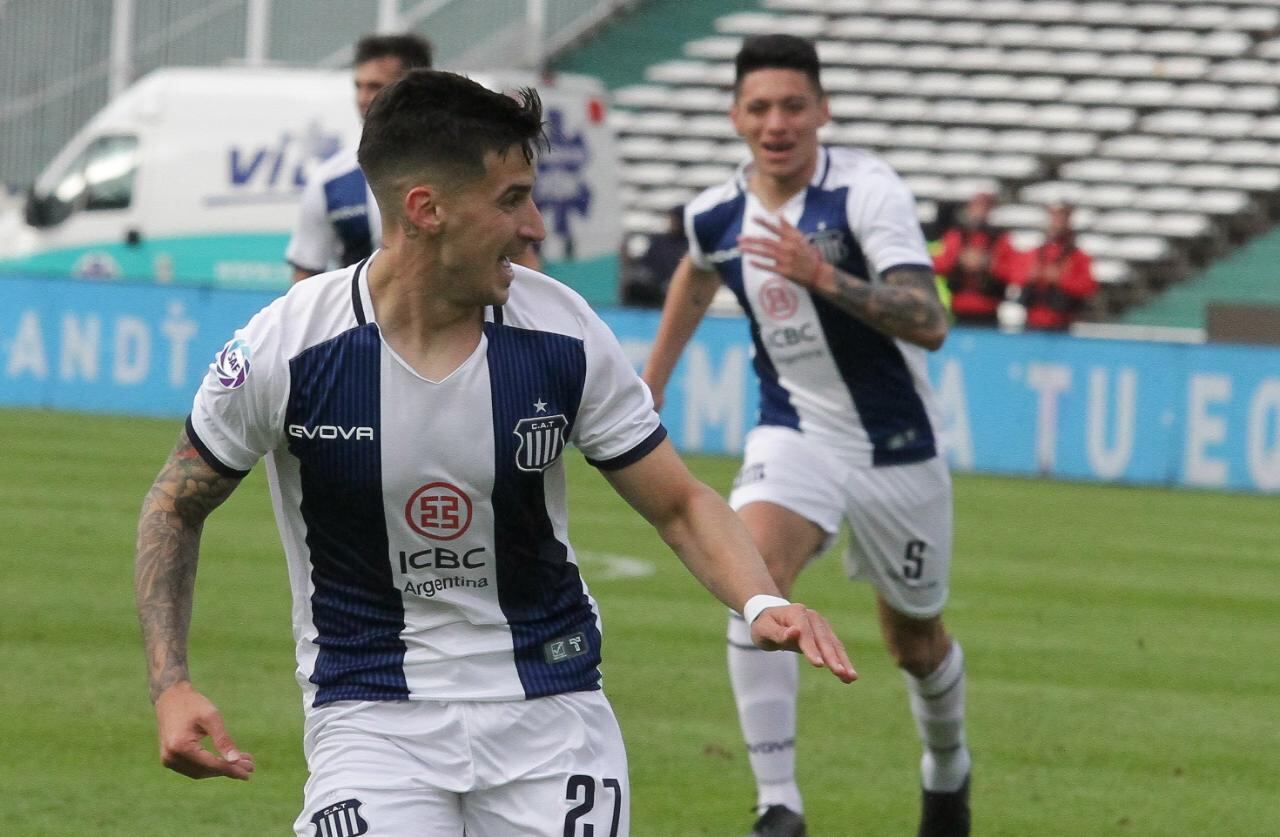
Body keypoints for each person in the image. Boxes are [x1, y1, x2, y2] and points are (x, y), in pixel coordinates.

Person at [135, 69, 857, 837]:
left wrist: (762, 600)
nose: (536, 225)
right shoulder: (286, 348)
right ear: (427, 210)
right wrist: (170, 683)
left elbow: (679, 502)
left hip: (552, 712)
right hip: (371, 717)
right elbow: (174, 503)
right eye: (512, 198)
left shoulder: (561, 332)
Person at [641, 35, 972, 837]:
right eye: (759, 107)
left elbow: (930, 322)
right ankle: (778, 804)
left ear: (822, 110)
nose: (777, 122)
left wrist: (822, 275)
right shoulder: (716, 213)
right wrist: (648, 383)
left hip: (896, 446)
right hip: (794, 432)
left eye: (794, 105)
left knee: (915, 642)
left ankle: (948, 765)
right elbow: (697, 268)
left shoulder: (865, 192)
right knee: (752, 574)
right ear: (735, 117)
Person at [285, 33, 433, 282]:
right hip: (363, 319)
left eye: (375, 86)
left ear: (415, 89)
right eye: (358, 86)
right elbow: (305, 275)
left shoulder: (458, 170)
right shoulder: (330, 179)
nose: (363, 98)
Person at [1010, 201, 1098, 331]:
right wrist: (1032, 275)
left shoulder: (1078, 256)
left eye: (1062, 217)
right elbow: (1014, 274)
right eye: (1055, 216)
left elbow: (1089, 286)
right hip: (1032, 321)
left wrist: (1061, 279)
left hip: (1062, 323)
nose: (1058, 221)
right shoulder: (1035, 252)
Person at [933, 192, 1016, 326]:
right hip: (959, 307)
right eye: (977, 206)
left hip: (988, 307)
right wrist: (959, 260)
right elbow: (939, 264)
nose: (980, 211)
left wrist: (988, 263)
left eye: (985, 207)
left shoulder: (1000, 238)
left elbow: (1012, 271)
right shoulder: (956, 236)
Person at [619, 205, 688, 308]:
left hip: (669, 291)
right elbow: (644, 263)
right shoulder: (658, 240)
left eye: (675, 219)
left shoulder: (688, 246)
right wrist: (629, 259)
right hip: (650, 286)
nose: (671, 223)